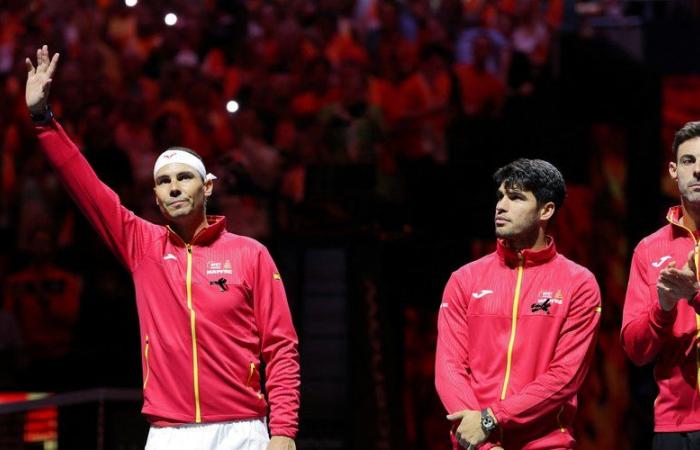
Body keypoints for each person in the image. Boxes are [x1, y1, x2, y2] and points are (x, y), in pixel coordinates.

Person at [25, 45, 299, 450]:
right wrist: (43, 121)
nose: (174, 187)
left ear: (206, 187)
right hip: (169, 433)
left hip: (245, 430)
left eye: (184, 178)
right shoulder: (143, 247)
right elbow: (86, 188)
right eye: (164, 181)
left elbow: (280, 346)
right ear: (155, 197)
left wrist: (284, 431)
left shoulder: (250, 254)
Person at [434, 159, 602, 449]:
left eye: (516, 198)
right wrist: (483, 442)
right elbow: (449, 368)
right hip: (475, 445)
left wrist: (491, 418)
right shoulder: (464, 279)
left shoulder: (578, 284)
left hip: (545, 443)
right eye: (500, 196)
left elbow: (565, 377)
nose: (501, 206)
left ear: (546, 210)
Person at [622, 121, 700, 449]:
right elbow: (636, 351)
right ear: (673, 170)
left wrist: (694, 295)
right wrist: (664, 305)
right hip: (675, 427)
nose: (698, 171)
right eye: (688, 161)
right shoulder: (649, 250)